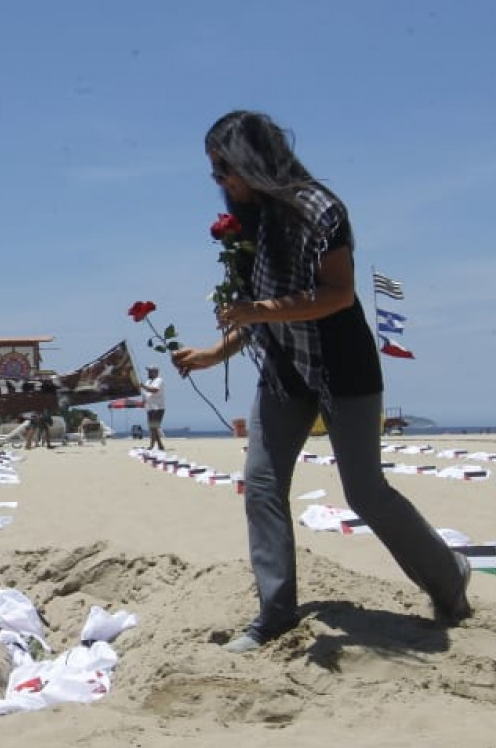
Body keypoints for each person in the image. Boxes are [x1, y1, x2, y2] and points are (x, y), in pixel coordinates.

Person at [172, 111, 471, 652]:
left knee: (365, 492)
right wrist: (217, 351)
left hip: (342, 368)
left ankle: (449, 584)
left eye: (224, 169)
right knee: (261, 485)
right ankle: (275, 613)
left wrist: (258, 310)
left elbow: (337, 294)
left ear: (252, 161)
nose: (220, 183)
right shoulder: (249, 222)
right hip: (285, 374)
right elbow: (258, 315)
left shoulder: (320, 209)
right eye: (214, 173)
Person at [141, 366, 167, 450]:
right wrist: (143, 402)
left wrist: (143, 386)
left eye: (150, 371)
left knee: (154, 426)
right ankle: (157, 445)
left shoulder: (159, 380)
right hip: (150, 407)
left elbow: (154, 390)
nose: (148, 373)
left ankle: (155, 445)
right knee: (152, 427)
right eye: (148, 371)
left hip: (158, 407)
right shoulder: (148, 381)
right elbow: (145, 393)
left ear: (155, 372)